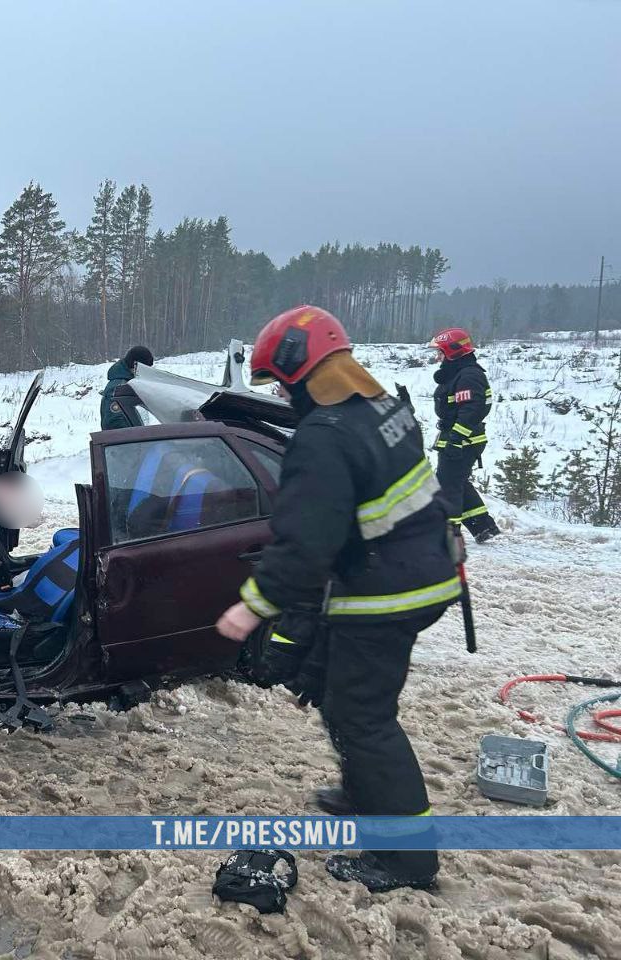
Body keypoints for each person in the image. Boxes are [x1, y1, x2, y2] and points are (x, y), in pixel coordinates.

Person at [216, 305, 460, 893]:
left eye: (281, 381)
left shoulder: (323, 436)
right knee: (337, 694)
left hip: (387, 591)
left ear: (302, 372)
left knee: (365, 718)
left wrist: (251, 605)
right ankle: (364, 794)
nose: (281, 392)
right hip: (423, 568)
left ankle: (406, 860)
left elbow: (304, 545)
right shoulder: (383, 409)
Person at [429, 327, 499, 542]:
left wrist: (457, 439)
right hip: (457, 437)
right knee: (457, 481)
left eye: (440, 352)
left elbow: (472, 409)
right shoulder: (458, 373)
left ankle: (448, 534)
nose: (437, 356)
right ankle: (482, 527)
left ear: (452, 352)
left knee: (447, 485)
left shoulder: (469, 375)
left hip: (464, 440)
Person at [100, 345, 153, 430]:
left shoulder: (129, 383)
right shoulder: (119, 388)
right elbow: (115, 423)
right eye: (145, 369)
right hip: (125, 441)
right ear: (135, 366)